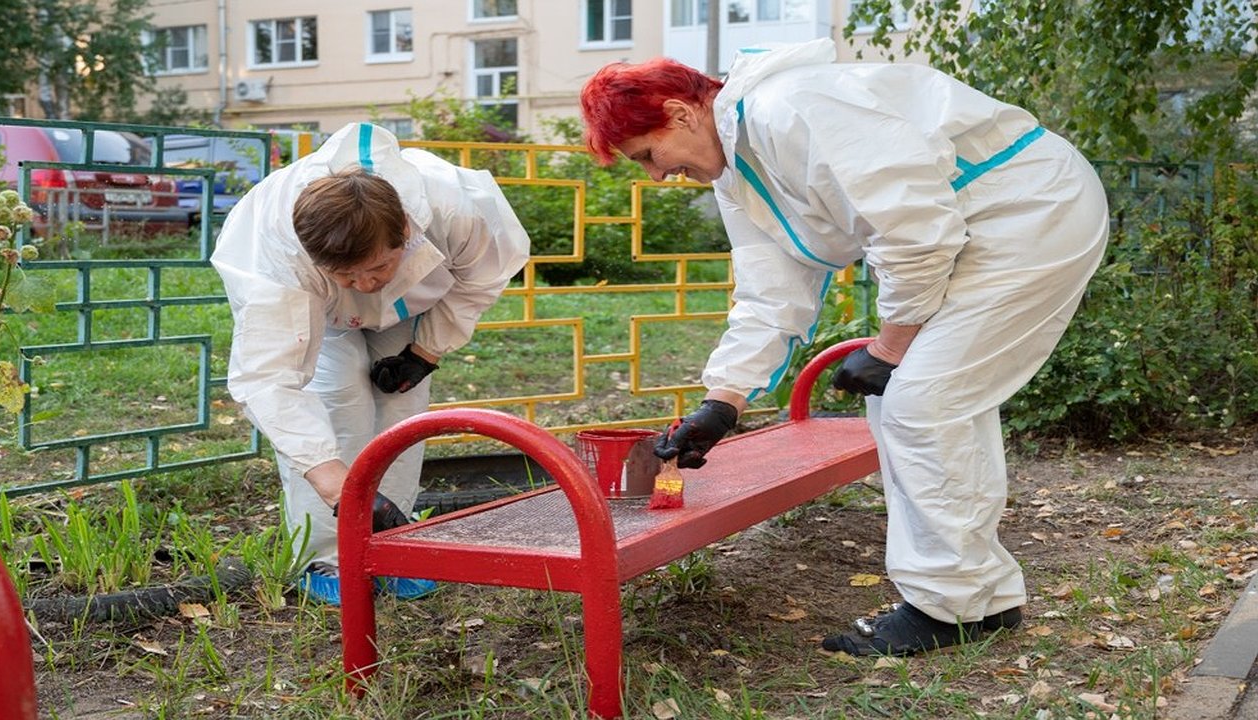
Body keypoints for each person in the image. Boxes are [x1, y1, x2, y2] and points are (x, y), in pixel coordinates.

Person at [579, 39, 1109, 655]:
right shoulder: (738, 169)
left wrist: (888, 349)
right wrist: (720, 404)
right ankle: (973, 598)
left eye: (650, 155)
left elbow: (914, 233)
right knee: (910, 405)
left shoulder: (791, 108)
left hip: (1027, 213)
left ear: (681, 113)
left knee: (922, 403)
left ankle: (953, 608)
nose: (657, 175)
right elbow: (769, 291)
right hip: (976, 229)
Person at [212, 122, 530, 605]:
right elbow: (271, 379)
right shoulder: (278, 254)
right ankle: (327, 557)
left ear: (405, 231)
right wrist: (341, 489)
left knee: (400, 413)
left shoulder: (455, 208)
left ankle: (394, 544)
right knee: (338, 404)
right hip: (314, 308)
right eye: (348, 275)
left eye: (377, 268)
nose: (364, 284)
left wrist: (425, 353)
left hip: (412, 303)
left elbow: (481, 278)